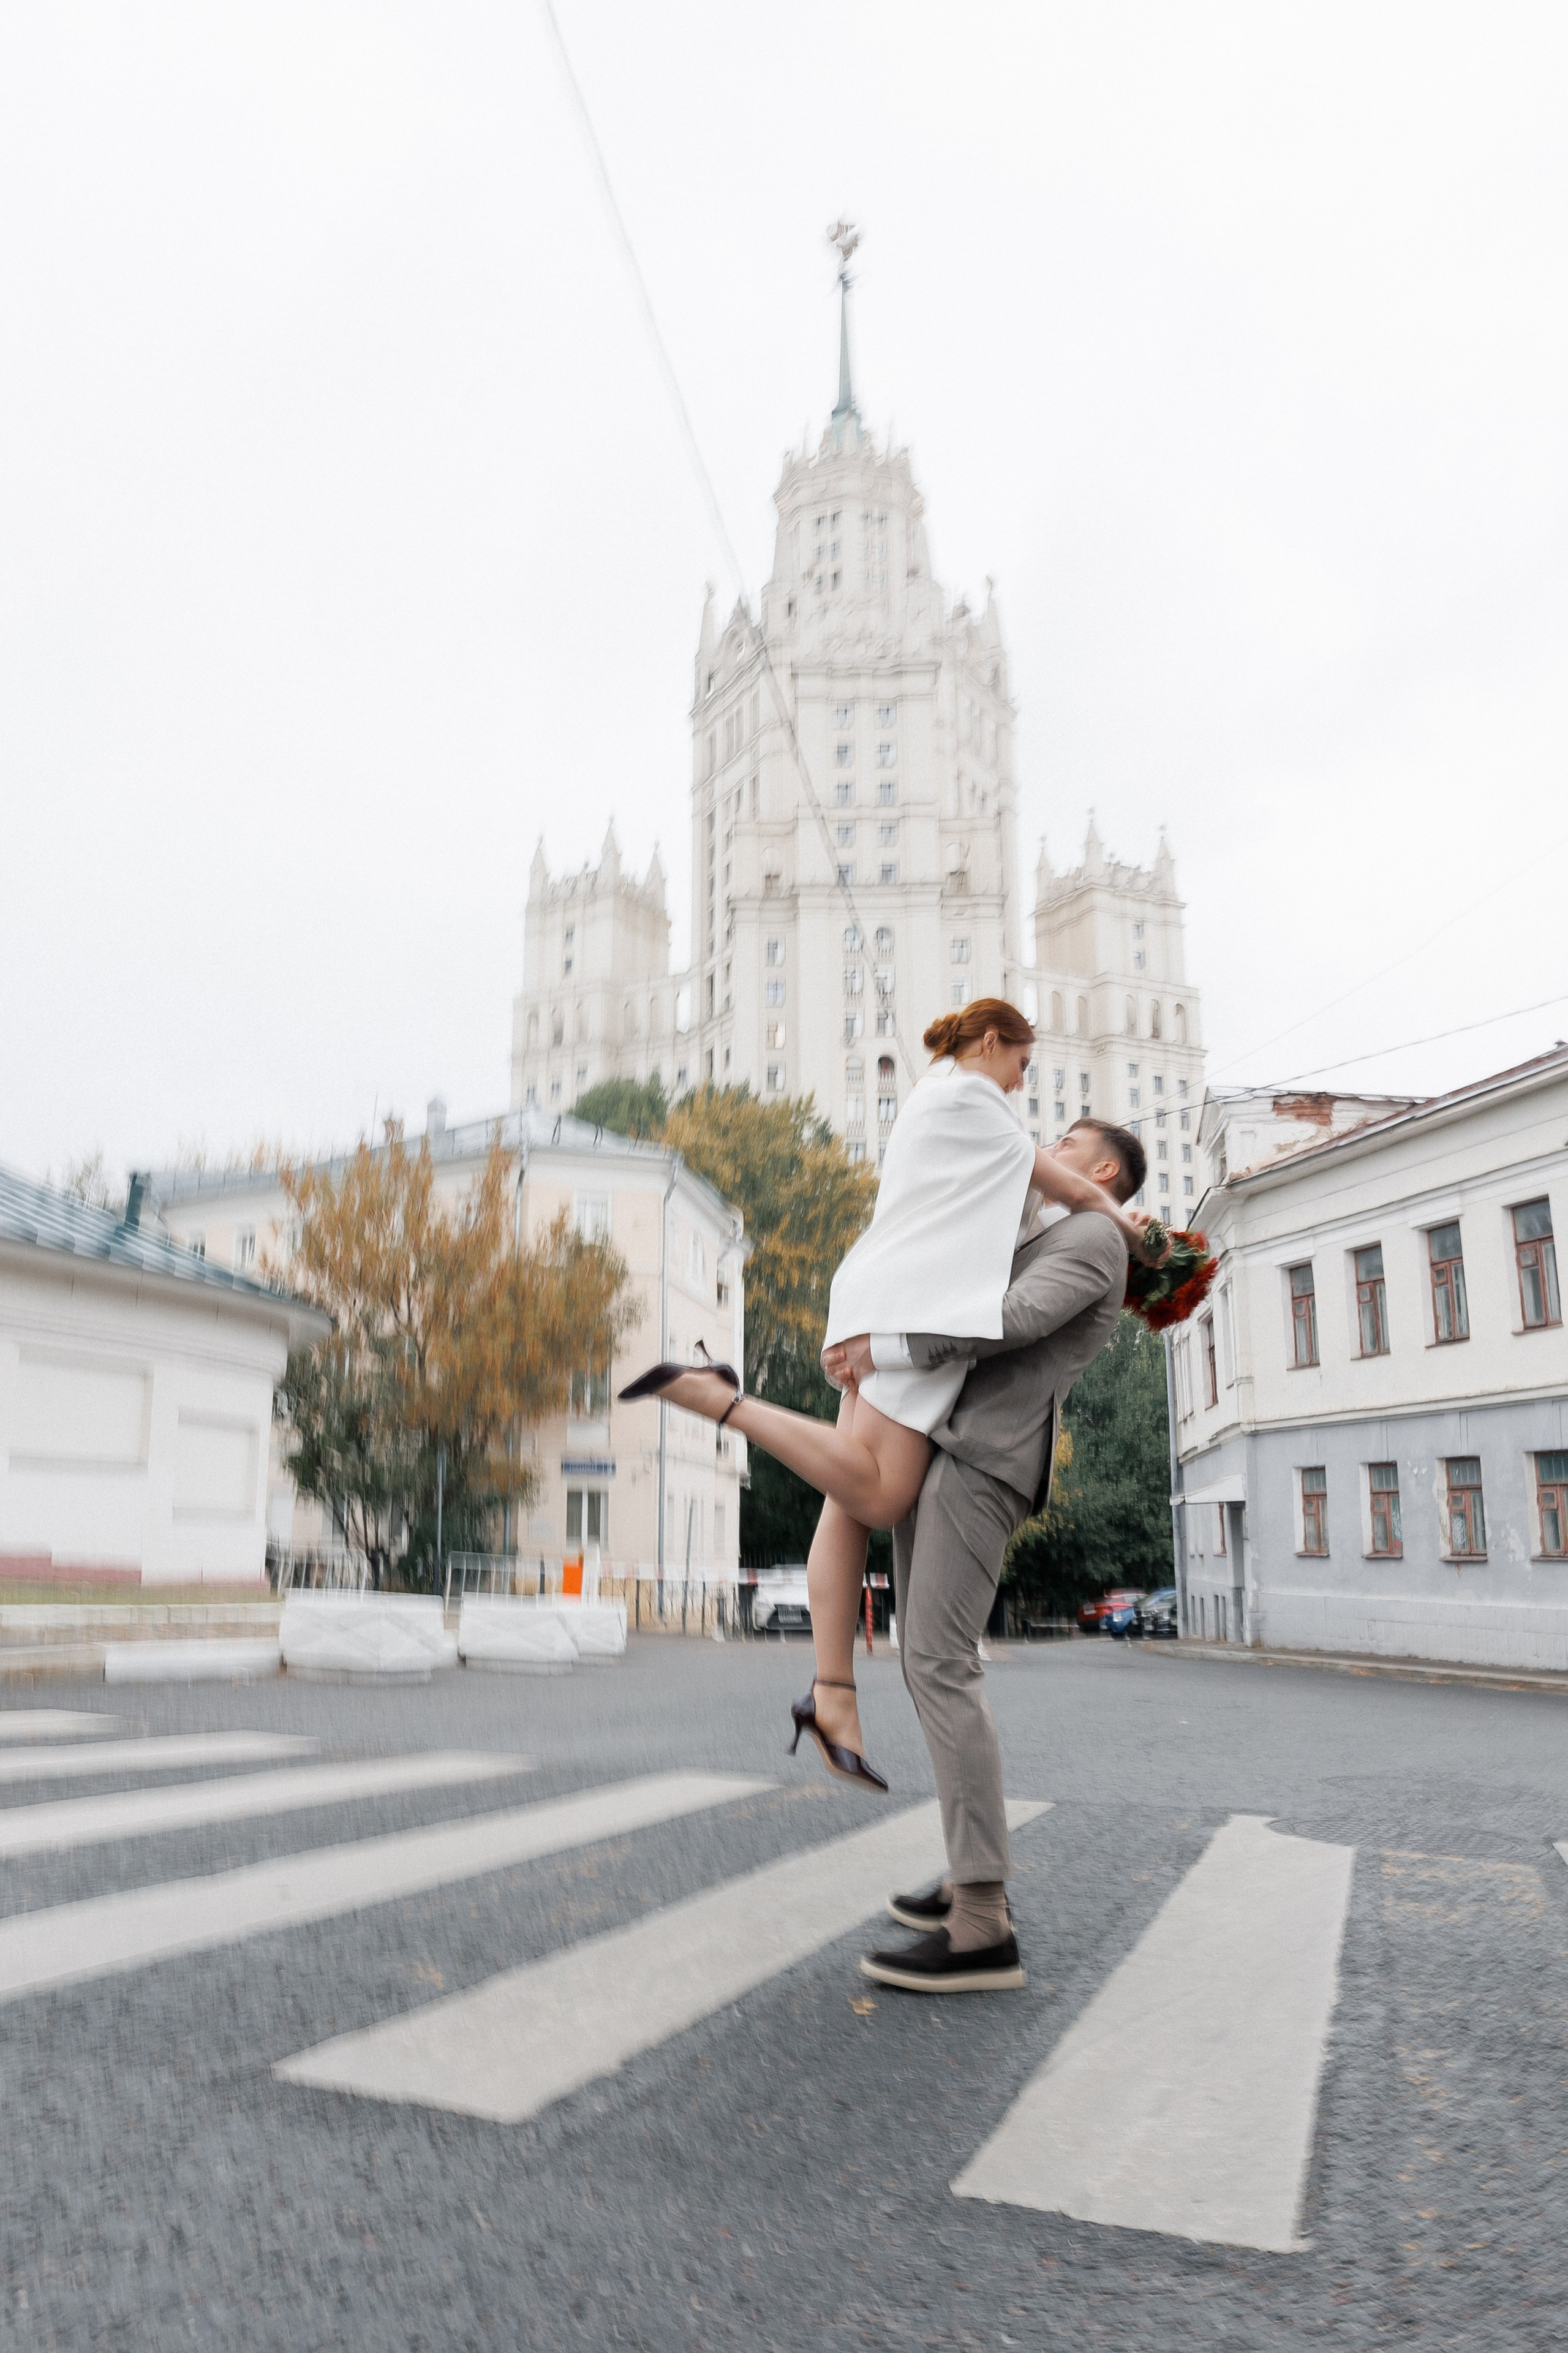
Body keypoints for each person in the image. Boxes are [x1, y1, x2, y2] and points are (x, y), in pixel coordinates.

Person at [619, 997, 1158, 1798]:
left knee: (847, 1500)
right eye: (1023, 1061)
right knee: (881, 1487)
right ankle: (722, 1400)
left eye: (1070, 1139)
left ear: (1106, 1162)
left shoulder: (953, 1104)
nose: (1028, 1089)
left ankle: (832, 1694)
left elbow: (1036, 1212)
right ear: (990, 1041)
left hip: (884, 1293)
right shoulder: (980, 1104)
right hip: (911, 1316)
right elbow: (1055, 1208)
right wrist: (1133, 1225)